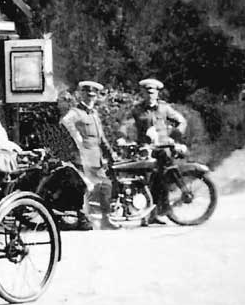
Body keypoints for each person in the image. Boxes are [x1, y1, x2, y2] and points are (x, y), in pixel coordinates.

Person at [121, 77, 188, 224]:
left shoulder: (164, 108)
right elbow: (125, 126)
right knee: (147, 181)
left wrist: (174, 136)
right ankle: (146, 214)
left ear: (157, 93)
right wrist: (125, 138)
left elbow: (181, 121)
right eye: (147, 92)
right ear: (143, 93)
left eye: (152, 92)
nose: (150, 95)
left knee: (162, 180)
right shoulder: (137, 109)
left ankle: (157, 213)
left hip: (164, 149)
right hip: (146, 150)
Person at [59, 80, 112, 231]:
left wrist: (110, 151)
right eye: (87, 95)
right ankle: (83, 219)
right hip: (82, 157)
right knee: (84, 189)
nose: (90, 98)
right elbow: (65, 122)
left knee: (105, 186)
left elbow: (100, 137)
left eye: (93, 96)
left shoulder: (94, 114)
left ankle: (106, 219)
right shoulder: (76, 112)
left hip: (96, 157)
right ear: (81, 95)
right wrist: (77, 138)